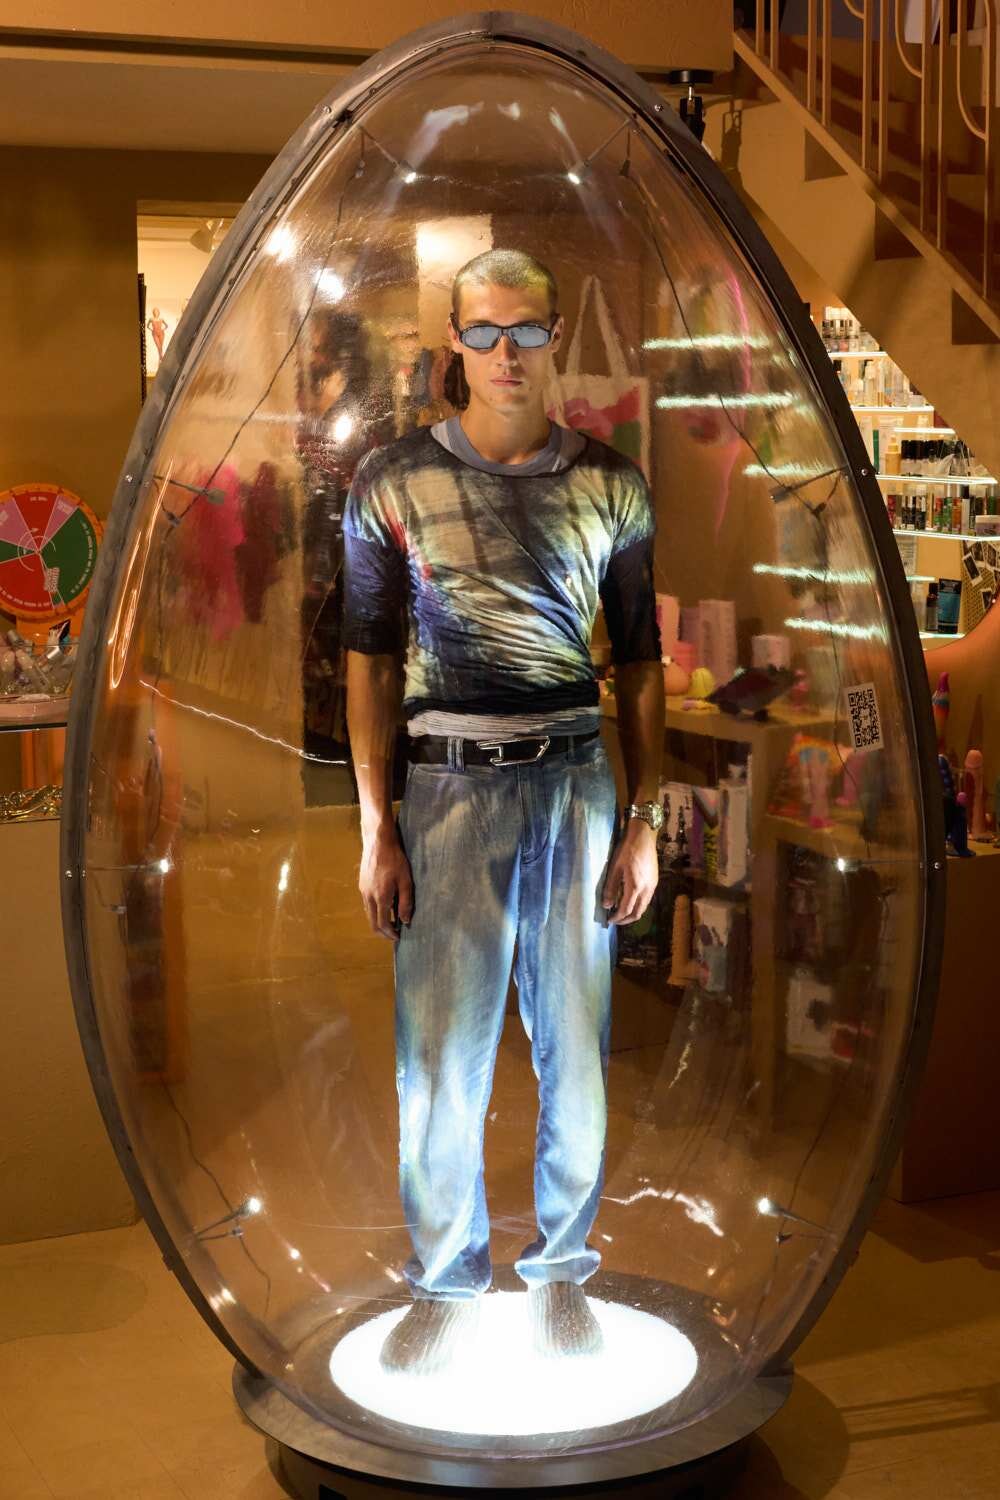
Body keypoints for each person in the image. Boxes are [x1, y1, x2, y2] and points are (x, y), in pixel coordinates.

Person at [343, 249, 665, 1374]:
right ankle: (443, 1283)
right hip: (445, 790)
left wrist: (645, 821)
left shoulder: (613, 483)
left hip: (574, 781)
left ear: (555, 337)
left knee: (574, 1048)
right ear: (454, 342)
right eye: (484, 333)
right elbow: (369, 659)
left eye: (526, 332)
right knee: (438, 1057)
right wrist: (375, 823)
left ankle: (562, 1274)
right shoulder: (391, 481)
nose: (506, 355)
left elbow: (639, 660)